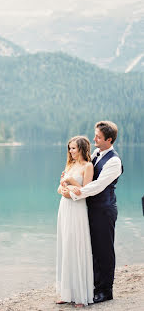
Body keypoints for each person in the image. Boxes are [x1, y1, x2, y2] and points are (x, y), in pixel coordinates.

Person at [64, 121, 123, 304]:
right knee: (92, 248)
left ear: (109, 139)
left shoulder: (114, 161)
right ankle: (94, 286)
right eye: (95, 135)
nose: (94, 139)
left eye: (98, 136)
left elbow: (97, 185)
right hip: (90, 209)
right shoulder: (96, 154)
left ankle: (106, 291)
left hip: (104, 210)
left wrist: (75, 192)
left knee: (104, 250)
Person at [56, 136, 94, 307]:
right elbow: (59, 188)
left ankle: (80, 295)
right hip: (65, 207)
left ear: (82, 149)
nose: (71, 152)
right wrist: (65, 190)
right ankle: (66, 292)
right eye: (69, 148)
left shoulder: (88, 166)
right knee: (66, 246)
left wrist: (70, 183)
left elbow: (85, 191)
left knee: (76, 246)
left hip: (77, 210)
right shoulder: (69, 165)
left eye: (74, 148)